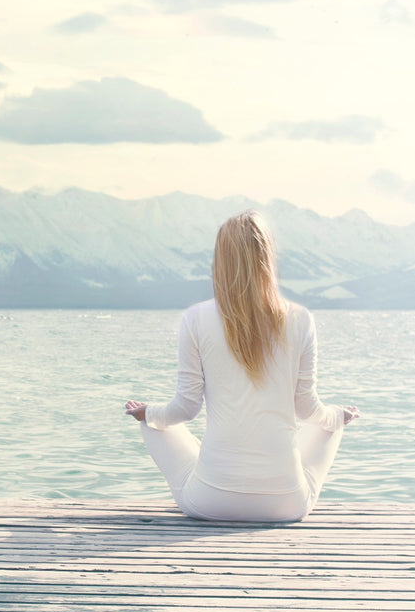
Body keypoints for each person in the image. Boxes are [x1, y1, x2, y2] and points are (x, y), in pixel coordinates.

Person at [125, 210, 358, 523]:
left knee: (154, 423)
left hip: (209, 502)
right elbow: (307, 410)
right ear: (267, 258)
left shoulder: (195, 319)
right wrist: (339, 417)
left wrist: (147, 413)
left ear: (221, 261)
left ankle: (196, 455)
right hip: (286, 505)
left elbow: (185, 409)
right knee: (329, 423)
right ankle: (335, 423)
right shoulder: (300, 319)